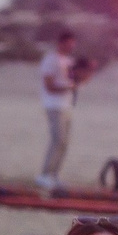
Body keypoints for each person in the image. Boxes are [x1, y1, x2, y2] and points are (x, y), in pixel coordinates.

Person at [36, 29, 77, 194]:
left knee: (65, 142)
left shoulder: (68, 60)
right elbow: (50, 85)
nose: (71, 47)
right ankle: (45, 174)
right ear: (61, 43)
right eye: (68, 44)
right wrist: (68, 87)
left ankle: (54, 174)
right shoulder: (50, 60)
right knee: (57, 140)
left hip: (66, 106)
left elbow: (73, 81)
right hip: (54, 106)